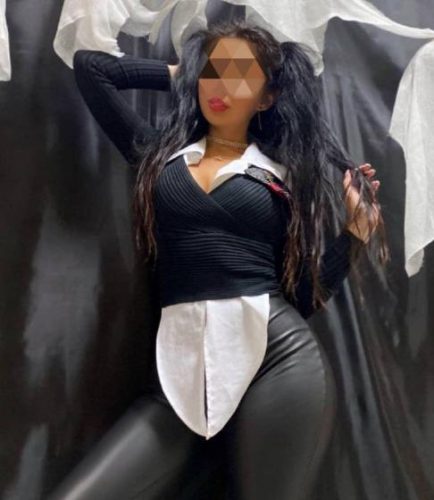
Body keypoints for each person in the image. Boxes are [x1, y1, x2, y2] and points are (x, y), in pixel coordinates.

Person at [48, 18, 387, 500]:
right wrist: (185, 72)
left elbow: (301, 296)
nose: (221, 85)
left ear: (267, 97)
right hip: (179, 380)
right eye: (214, 70)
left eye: (240, 74)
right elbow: (92, 68)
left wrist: (356, 233)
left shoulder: (282, 178)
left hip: (278, 361)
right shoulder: (157, 155)